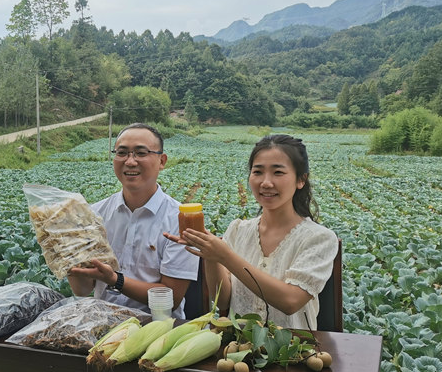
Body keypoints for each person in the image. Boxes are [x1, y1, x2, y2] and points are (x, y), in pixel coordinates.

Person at [164, 134, 338, 329]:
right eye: (258, 172)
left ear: (301, 180)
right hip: (237, 350)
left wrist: (225, 256)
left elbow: (290, 301)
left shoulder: (319, 238)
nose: (266, 182)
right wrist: (211, 256)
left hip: (292, 351)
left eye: (278, 172)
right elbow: (222, 302)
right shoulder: (238, 230)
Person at [67, 123, 199, 319]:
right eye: (122, 153)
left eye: (140, 153)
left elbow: (171, 297)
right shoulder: (94, 214)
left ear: (162, 161)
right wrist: (67, 255)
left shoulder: (180, 219)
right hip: (101, 324)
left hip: (156, 330)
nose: (130, 161)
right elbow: (82, 290)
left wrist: (114, 279)